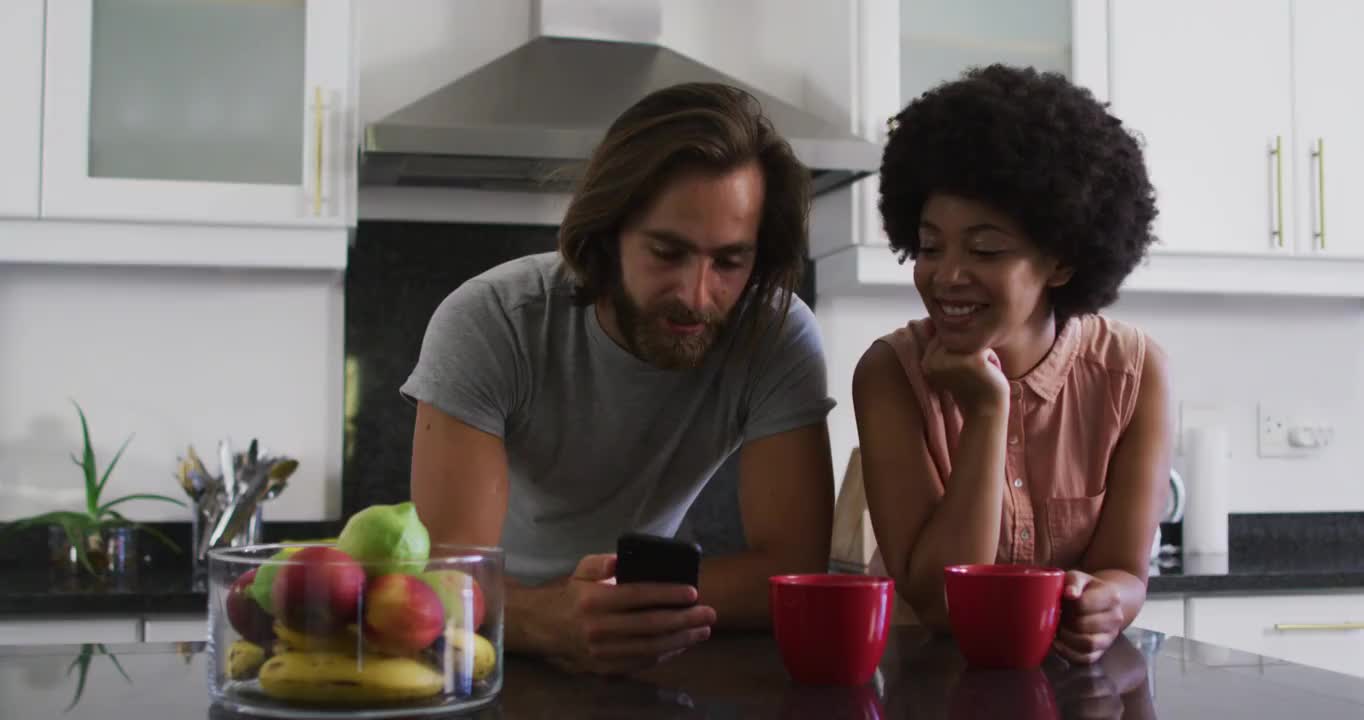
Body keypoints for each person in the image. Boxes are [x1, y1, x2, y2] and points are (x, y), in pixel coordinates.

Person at [403, 82, 836, 675]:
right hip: (486, 644)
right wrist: (539, 618)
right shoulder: (490, 322)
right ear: (609, 235)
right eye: (667, 252)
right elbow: (452, 577)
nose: (696, 295)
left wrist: (617, 610)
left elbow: (792, 572)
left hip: (659, 641)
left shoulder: (775, 335)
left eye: (730, 261)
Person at [853, 64, 1172, 665]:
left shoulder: (1136, 374)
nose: (946, 275)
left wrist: (1108, 602)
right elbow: (941, 606)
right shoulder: (890, 375)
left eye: (985, 249)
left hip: (1081, 690)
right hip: (934, 688)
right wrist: (987, 408)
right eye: (928, 246)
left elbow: (1125, 572)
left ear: (1062, 261)